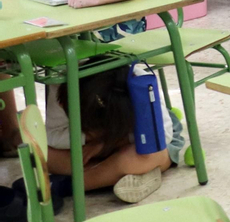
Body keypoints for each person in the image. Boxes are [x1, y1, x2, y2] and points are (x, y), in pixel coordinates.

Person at [41, 71, 183, 205]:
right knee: (43, 156)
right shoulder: (61, 85)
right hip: (89, 146)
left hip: (134, 141)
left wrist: (105, 144)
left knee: (150, 154)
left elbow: (161, 136)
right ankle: (126, 174)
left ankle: (73, 185)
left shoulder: (141, 85)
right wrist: (91, 138)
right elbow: (52, 136)